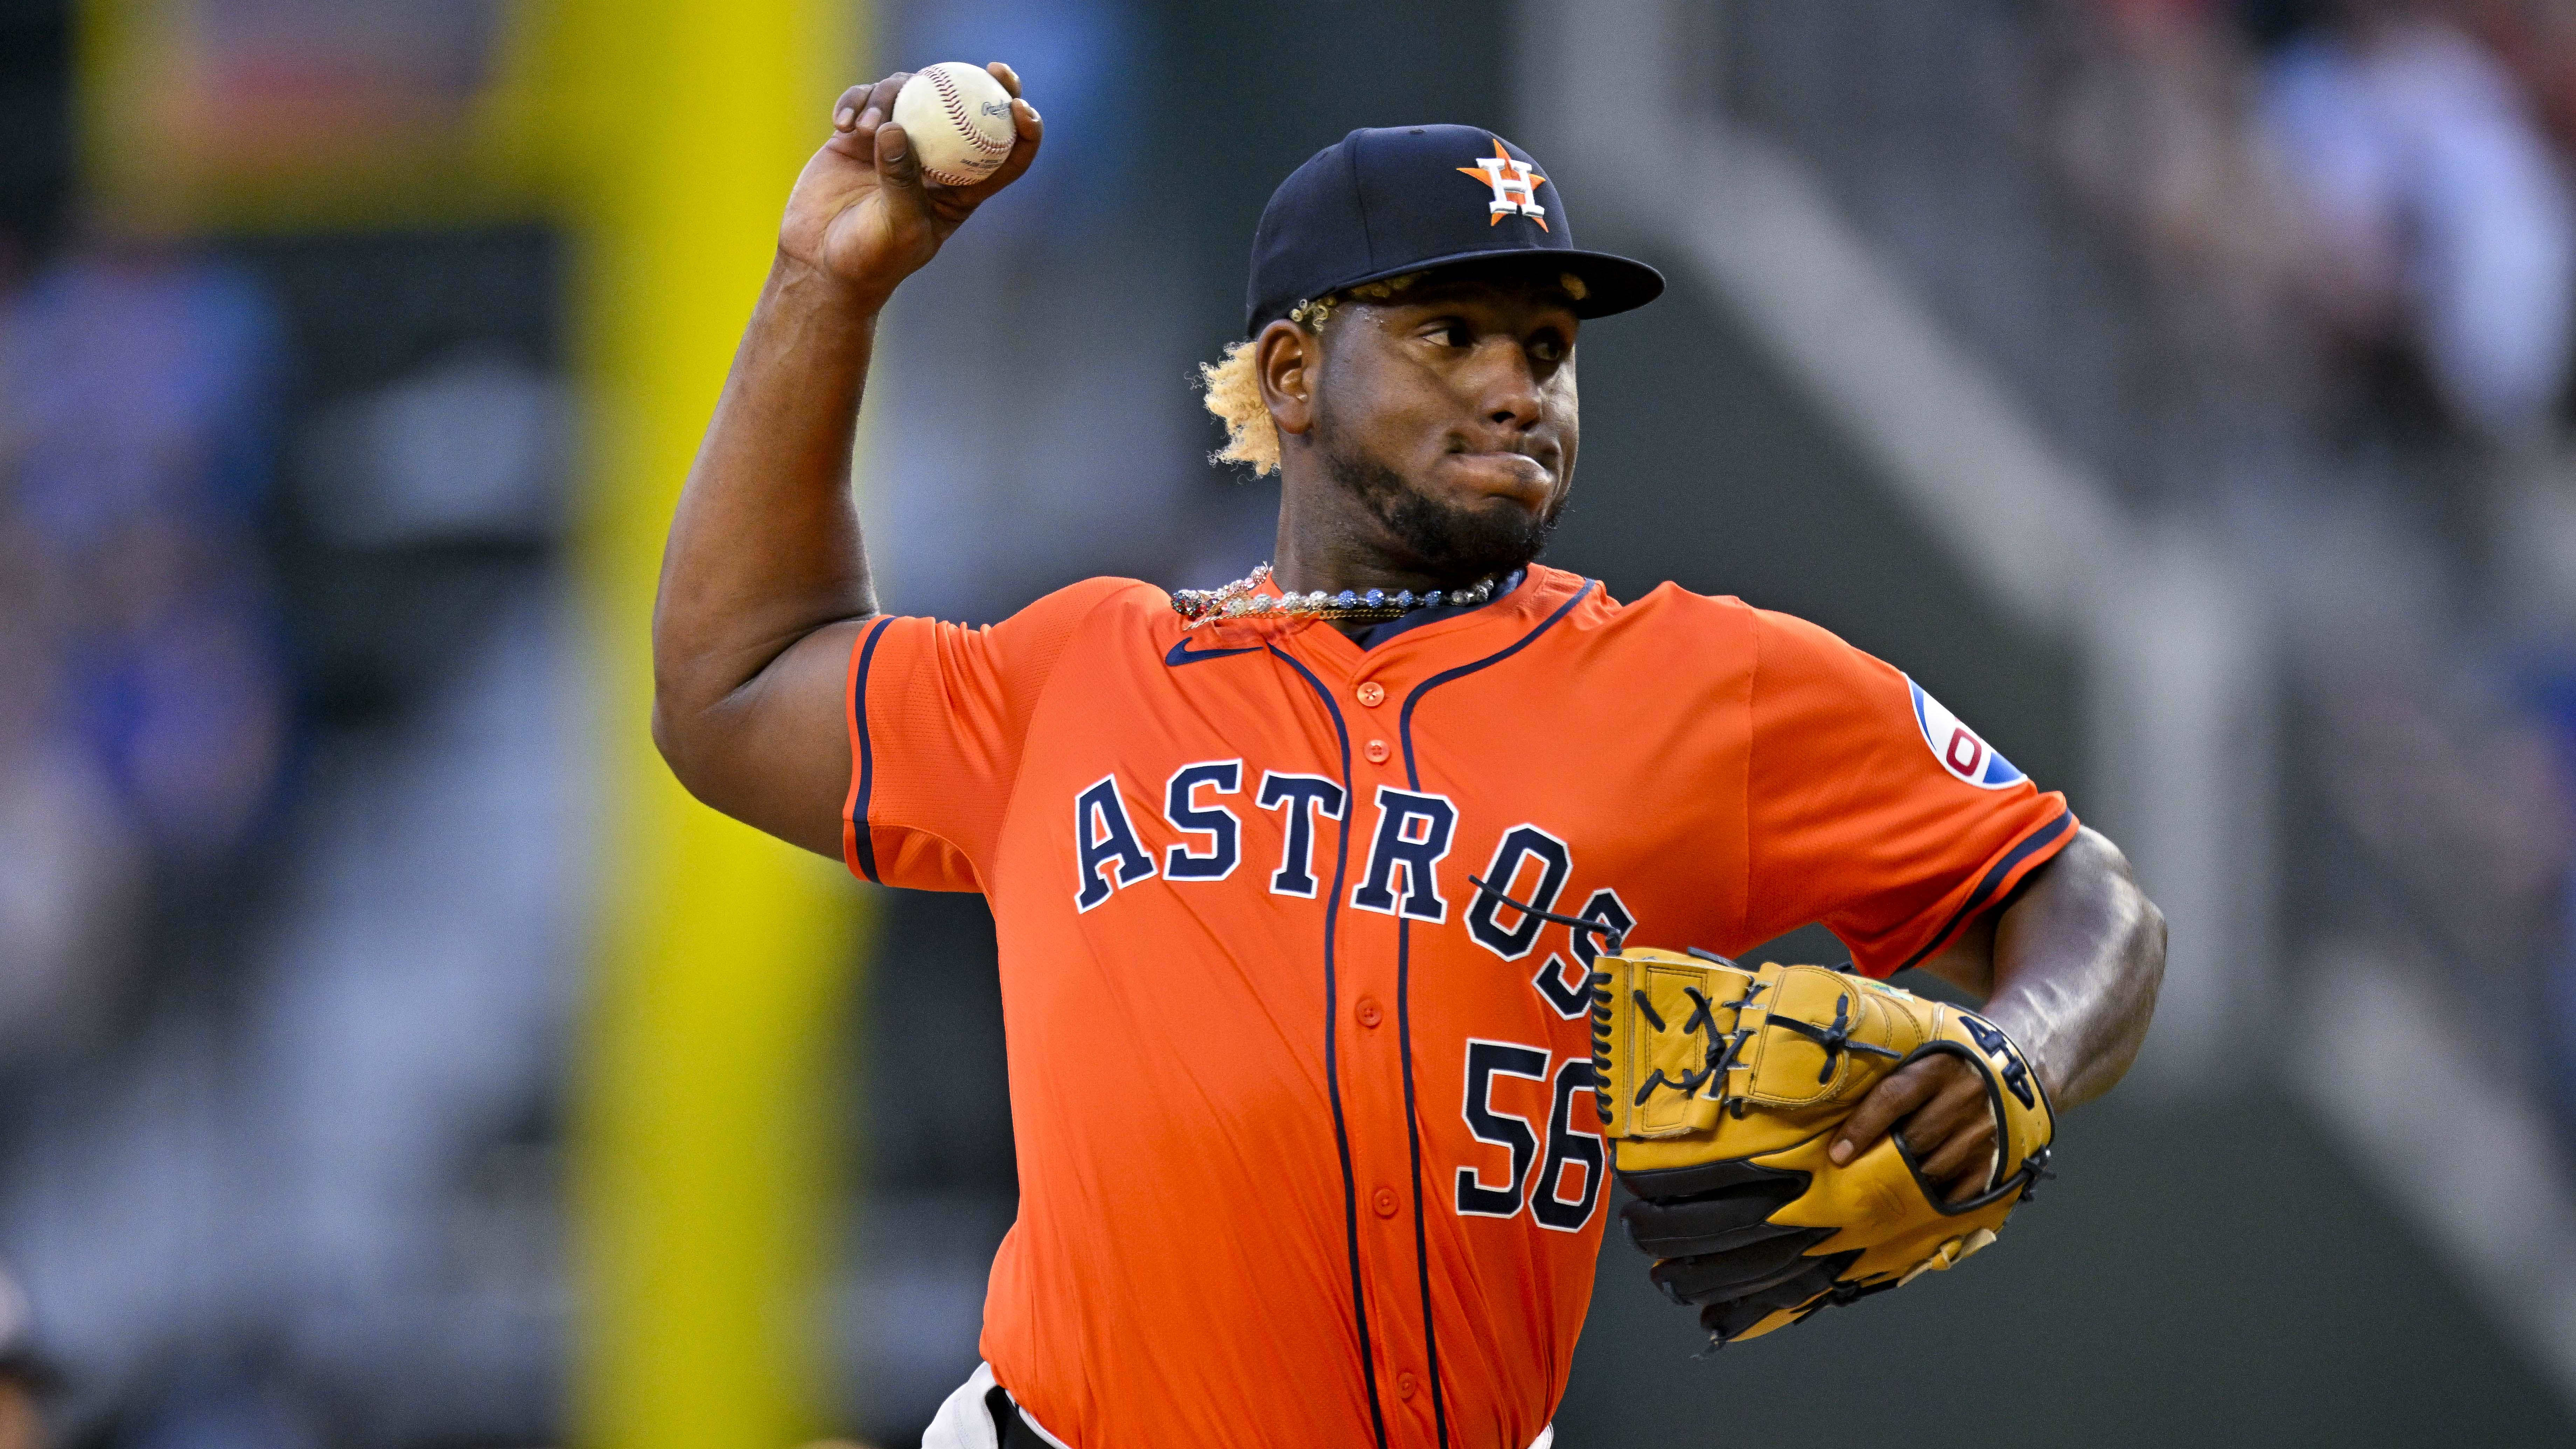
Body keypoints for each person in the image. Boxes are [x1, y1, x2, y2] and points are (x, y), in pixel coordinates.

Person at [652, 64, 2167, 1449]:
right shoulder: (1080, 671)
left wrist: (2014, 1055)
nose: (1520, 388)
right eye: (1450, 335)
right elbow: (733, 688)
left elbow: (2088, 900)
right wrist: (824, 288)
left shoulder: (1712, 684)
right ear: (1295, 375)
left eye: (1550, 347)